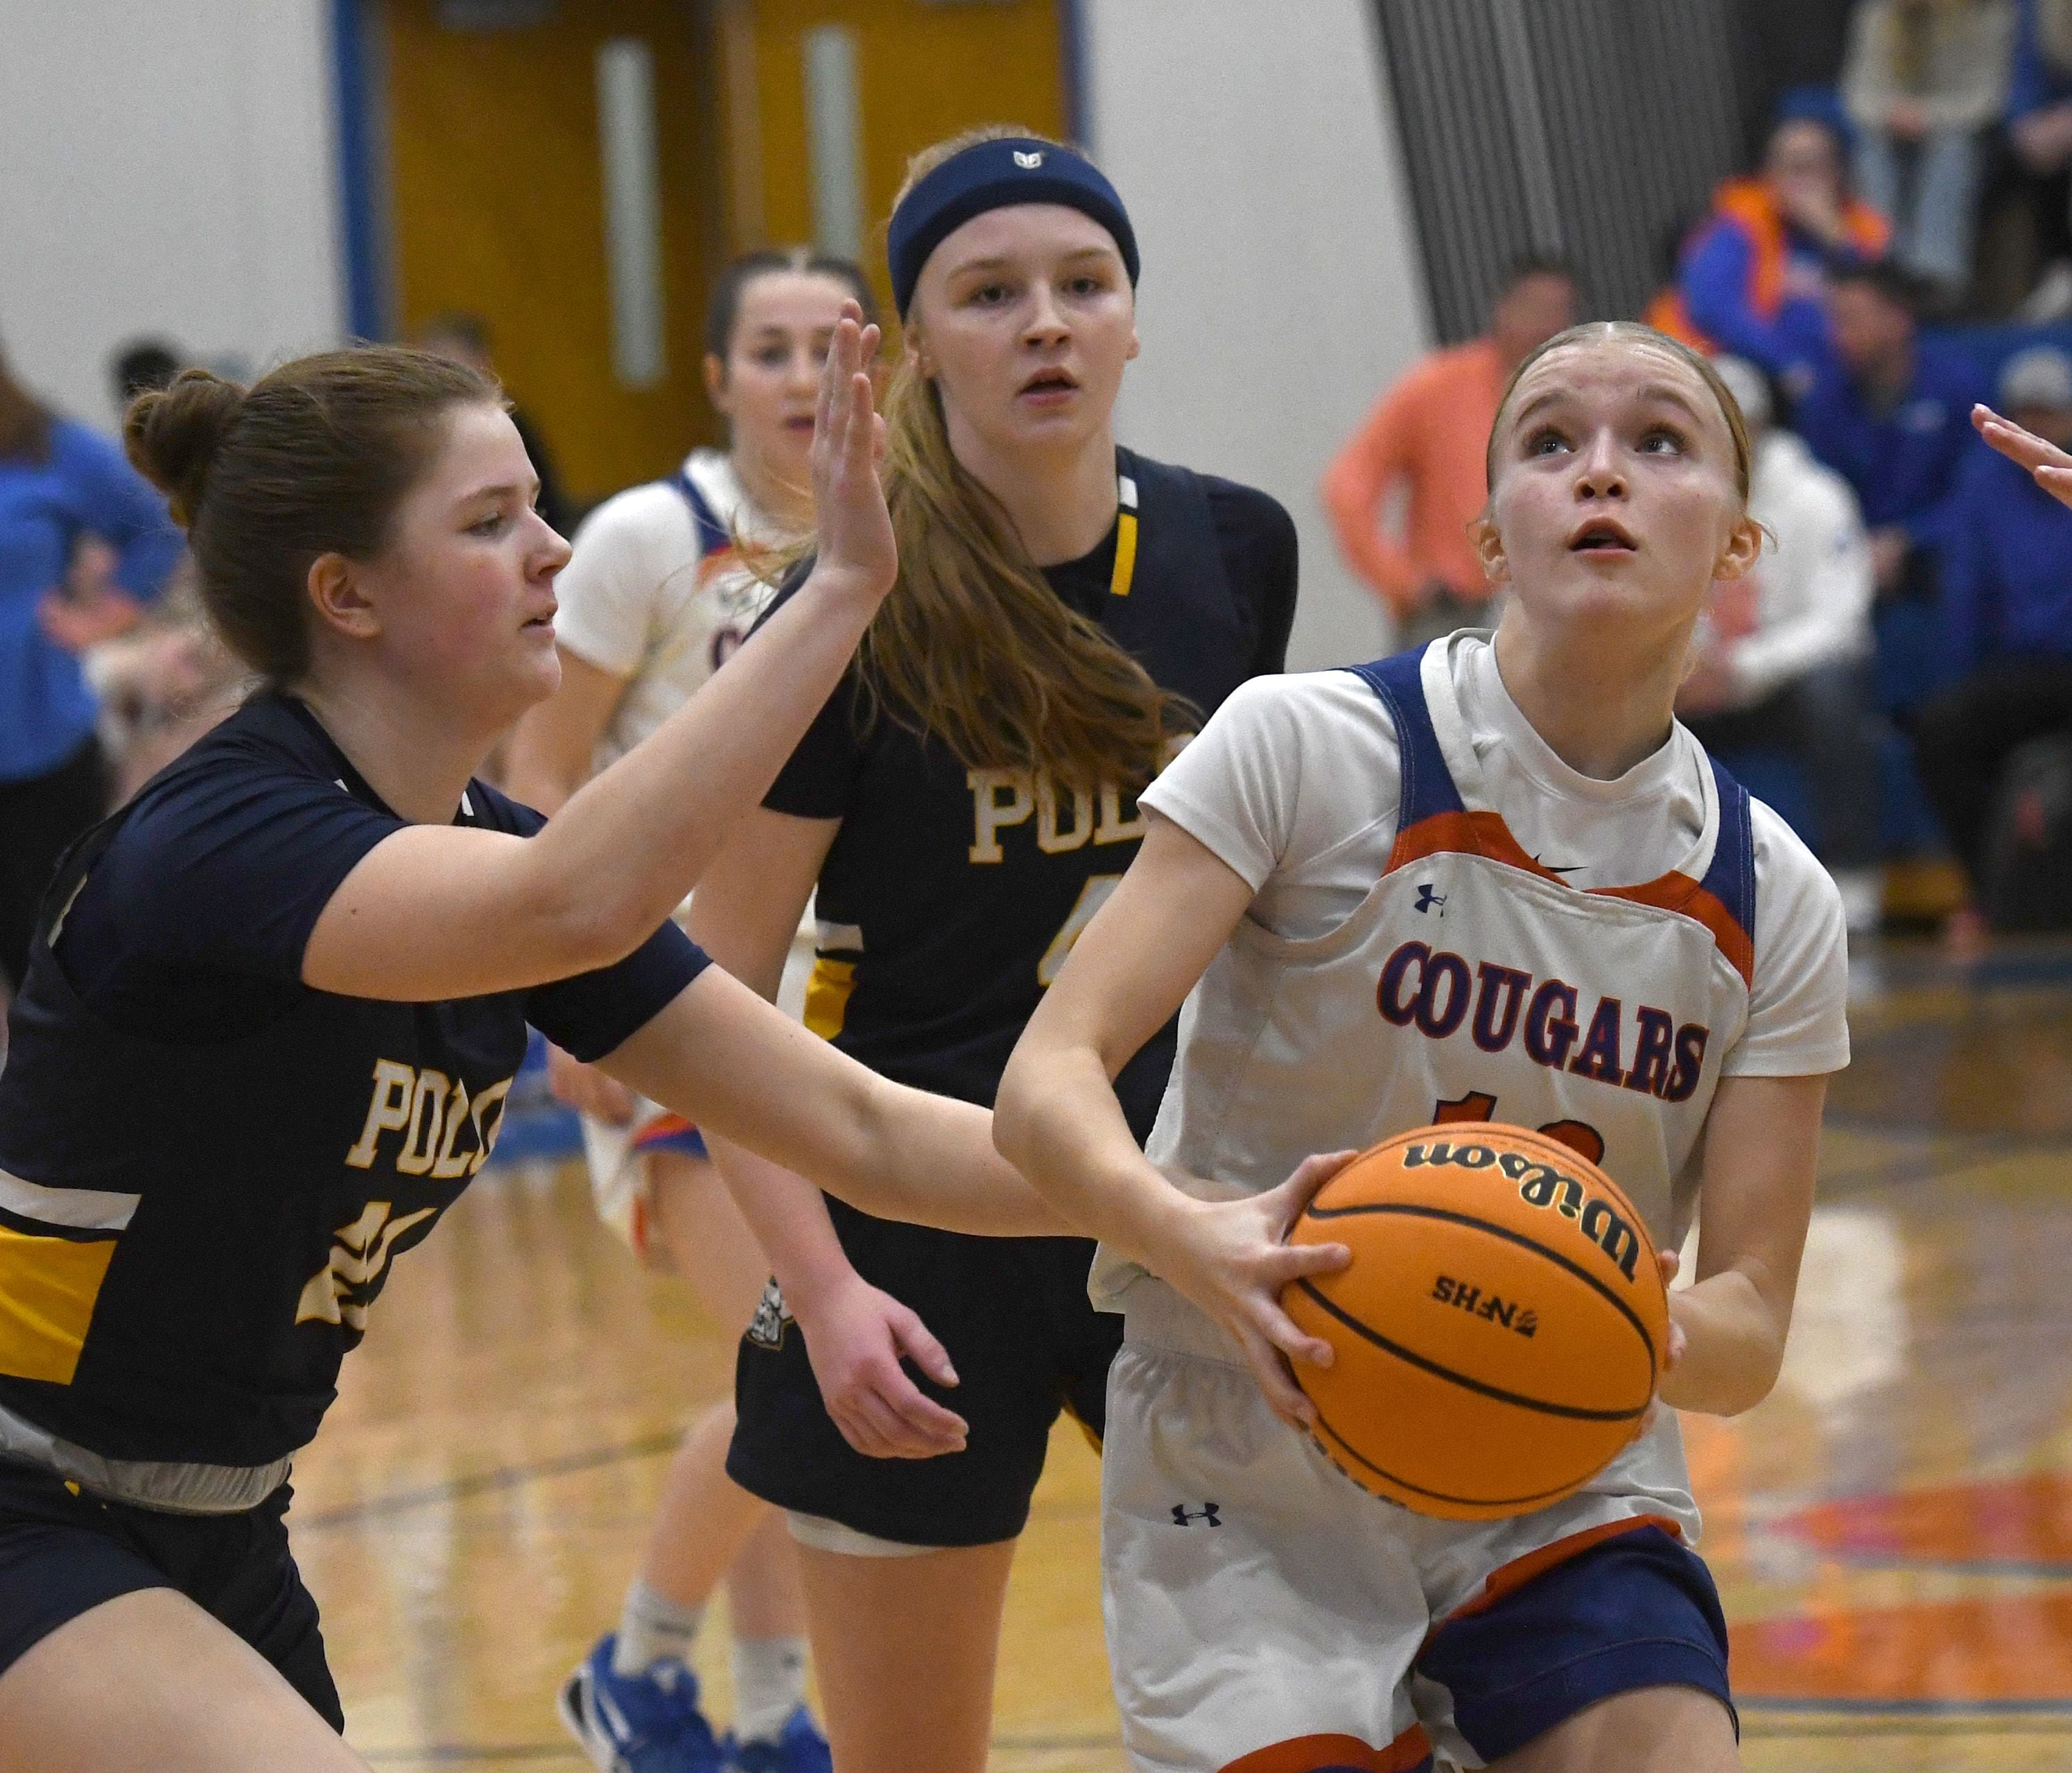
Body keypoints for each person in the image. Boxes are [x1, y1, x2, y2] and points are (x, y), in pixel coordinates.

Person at [0, 334, 1071, 1773]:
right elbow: (580, 896)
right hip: (31, 1491)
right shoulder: (225, 837)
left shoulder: (493, 853)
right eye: (490, 519)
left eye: (537, 507)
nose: (552, 548)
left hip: (220, 1515)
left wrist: (1190, 1209)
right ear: (347, 594)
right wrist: (837, 593)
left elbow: (863, 1128)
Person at [998, 320, 1850, 1772]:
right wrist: (1187, 1234)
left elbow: (1751, 1321)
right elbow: (1044, 1080)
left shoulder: (1774, 893)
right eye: (1549, 441)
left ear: (1736, 542)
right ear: (1489, 531)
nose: (1600, 473)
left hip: (1557, 1452)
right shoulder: (1307, 745)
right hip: (1247, 1427)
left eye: (1658, 442)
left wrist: (1630, 1320)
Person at [689, 129, 1297, 1773]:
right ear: (912, 343)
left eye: (1083, 283)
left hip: (1178, 1196)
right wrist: (820, 1288)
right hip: (914, 1222)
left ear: (1133, 321)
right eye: (990, 292)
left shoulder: (1236, 548)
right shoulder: (841, 607)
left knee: (1306, 1714)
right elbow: (712, 991)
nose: (1044, 322)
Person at [503, 247, 878, 1773]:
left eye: (822, 348)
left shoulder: (897, 533)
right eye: (767, 349)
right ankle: (640, 1666)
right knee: (789, 1360)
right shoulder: (650, 537)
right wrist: (568, 1002)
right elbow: (536, 775)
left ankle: (774, 1711)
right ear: (717, 376)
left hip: (837, 1018)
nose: (797, 377)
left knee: (775, 1370)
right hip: (672, 1001)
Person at [0, 338, 182, 995]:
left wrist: (103, 618)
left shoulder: (47, 448)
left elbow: (155, 530)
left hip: (38, 738)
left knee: (50, 948)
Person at [1679, 356, 1882, 933]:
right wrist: (1680, 665)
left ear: (1763, 425)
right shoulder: (1670, 504)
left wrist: (1742, 668)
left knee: (1832, 692)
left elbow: (1840, 621)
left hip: (1786, 688)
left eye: (1738, 427)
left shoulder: (1817, 496)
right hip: (1699, 682)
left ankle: (1854, 875)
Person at [1322, 256, 1578, 648]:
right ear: (1501, 309)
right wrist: (1402, 582)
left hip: (1556, 605)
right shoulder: (1439, 386)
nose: (1545, 325)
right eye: (1532, 308)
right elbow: (1348, 486)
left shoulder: (1579, 397)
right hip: (1454, 612)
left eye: (1558, 312)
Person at [1915, 348, 2072, 950]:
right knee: (1943, 729)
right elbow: (1966, 595)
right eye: (2025, 412)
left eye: (2049, 412)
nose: (2038, 424)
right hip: (2017, 672)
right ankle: (1993, 891)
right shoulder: (1982, 487)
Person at [1648, 96, 1891, 391]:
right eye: (1789, 167)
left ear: (1837, 172)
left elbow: (1884, 313)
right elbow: (1712, 306)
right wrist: (1787, 365)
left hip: (1839, 381)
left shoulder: (1862, 229)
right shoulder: (1741, 222)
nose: (1799, 184)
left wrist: (1837, 241)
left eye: (1810, 167)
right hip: (1749, 372)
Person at [1792, 260, 1986, 605]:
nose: (1837, 334)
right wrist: (1856, 545)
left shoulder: (1959, 389)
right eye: (1834, 320)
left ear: (1898, 320)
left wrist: (1910, 539)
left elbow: (1980, 493)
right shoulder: (1823, 399)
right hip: (1848, 567)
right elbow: (1817, 490)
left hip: (1940, 568)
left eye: (1851, 319)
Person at [1843, 0, 2017, 300]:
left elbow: (1988, 97)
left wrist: (1929, 116)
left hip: (1963, 132)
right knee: (1872, 147)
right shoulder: (1878, 12)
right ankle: (1881, 263)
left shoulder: (1988, 12)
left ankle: (1936, 276)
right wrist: (1889, 114)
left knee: (1951, 149)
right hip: (1891, 129)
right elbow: (1858, 94)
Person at [416, 311, 575, 536]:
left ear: (480, 360)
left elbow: (550, 506)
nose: (435, 372)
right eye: (428, 359)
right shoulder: (419, 425)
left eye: (447, 359)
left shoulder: (505, 420)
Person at [2008, 0, 2072, 316]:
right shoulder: (2034, 9)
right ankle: (2062, 270)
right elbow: (2022, 71)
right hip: (2050, 122)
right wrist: (2024, 122)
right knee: (2038, 148)